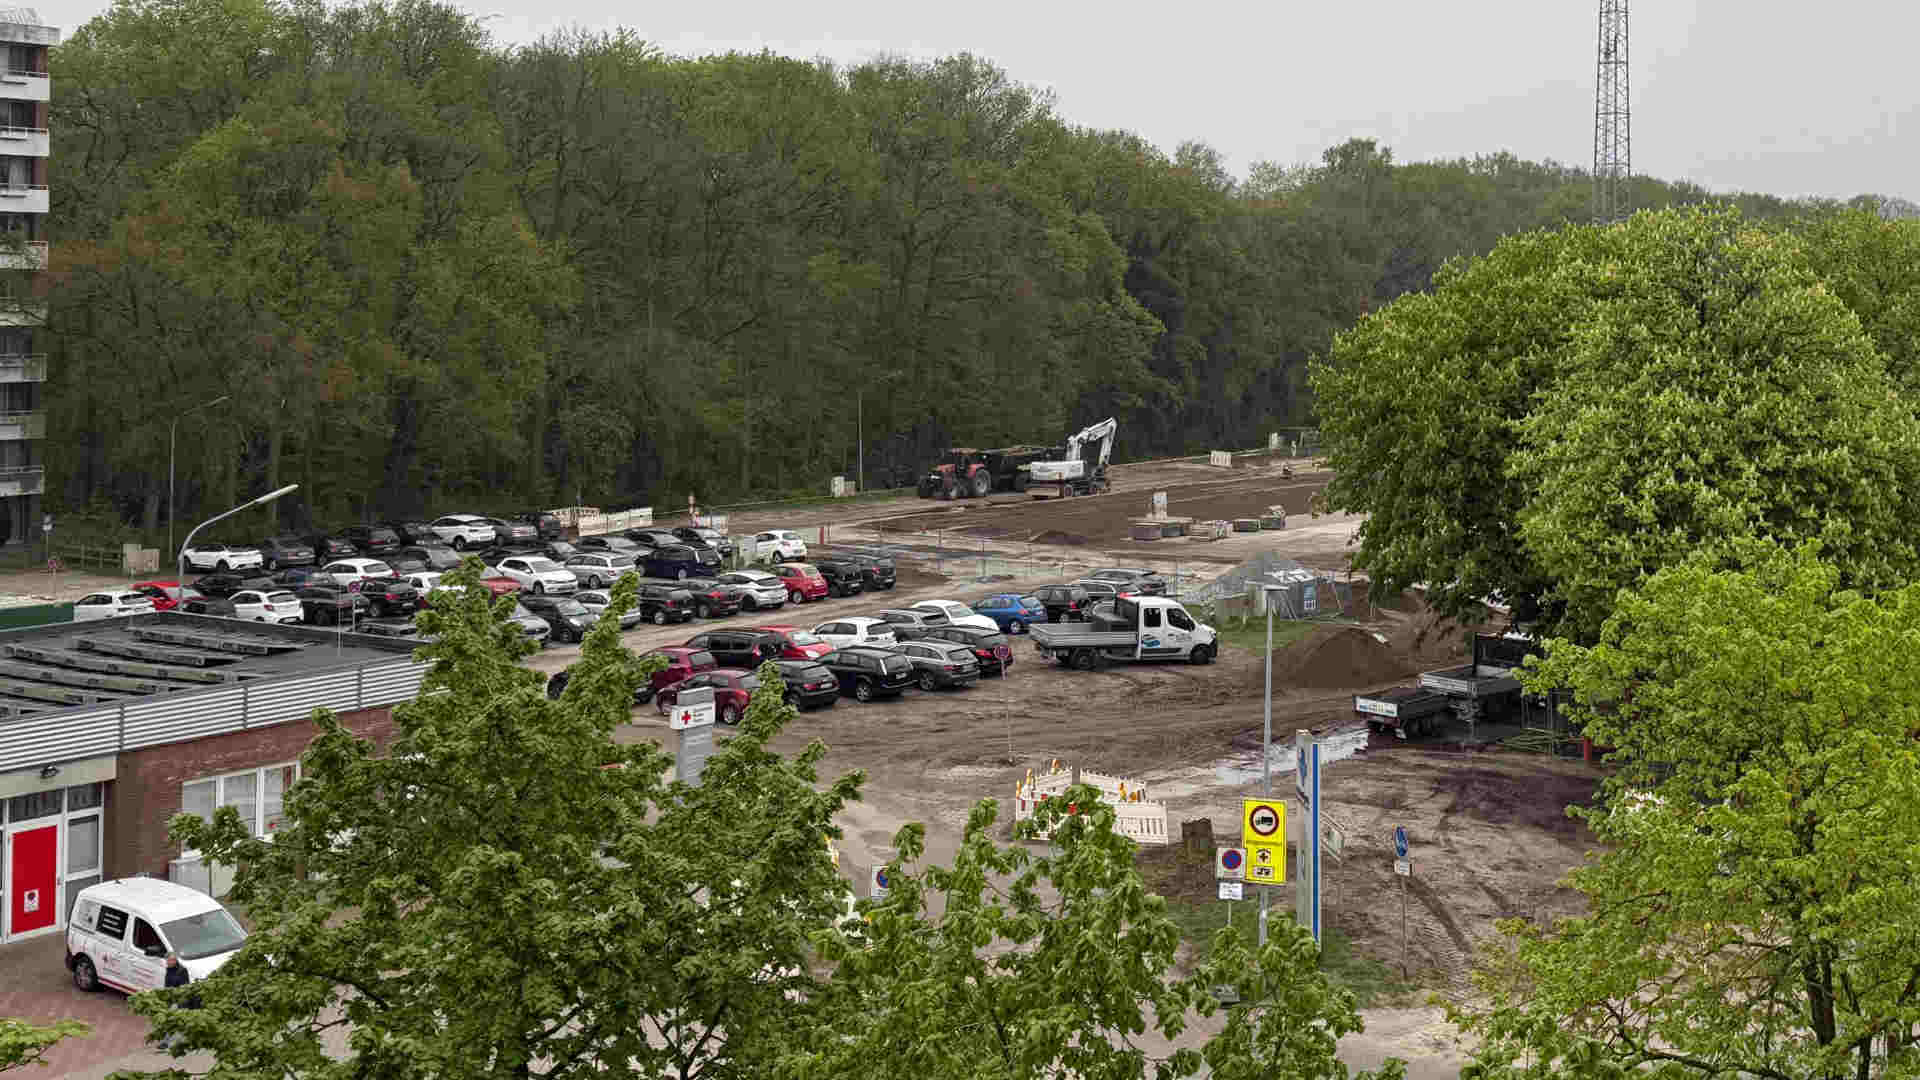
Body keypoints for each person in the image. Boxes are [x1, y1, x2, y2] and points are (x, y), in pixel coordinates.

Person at [155, 953, 193, 1050]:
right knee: (172, 1021)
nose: (169, 962)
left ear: (175, 961)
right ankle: (171, 1041)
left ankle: (166, 1042)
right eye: (168, 961)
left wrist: (178, 1000)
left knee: (170, 1020)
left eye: (171, 960)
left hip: (179, 1001)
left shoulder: (182, 971)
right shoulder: (169, 970)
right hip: (171, 1000)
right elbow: (167, 986)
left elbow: (184, 987)